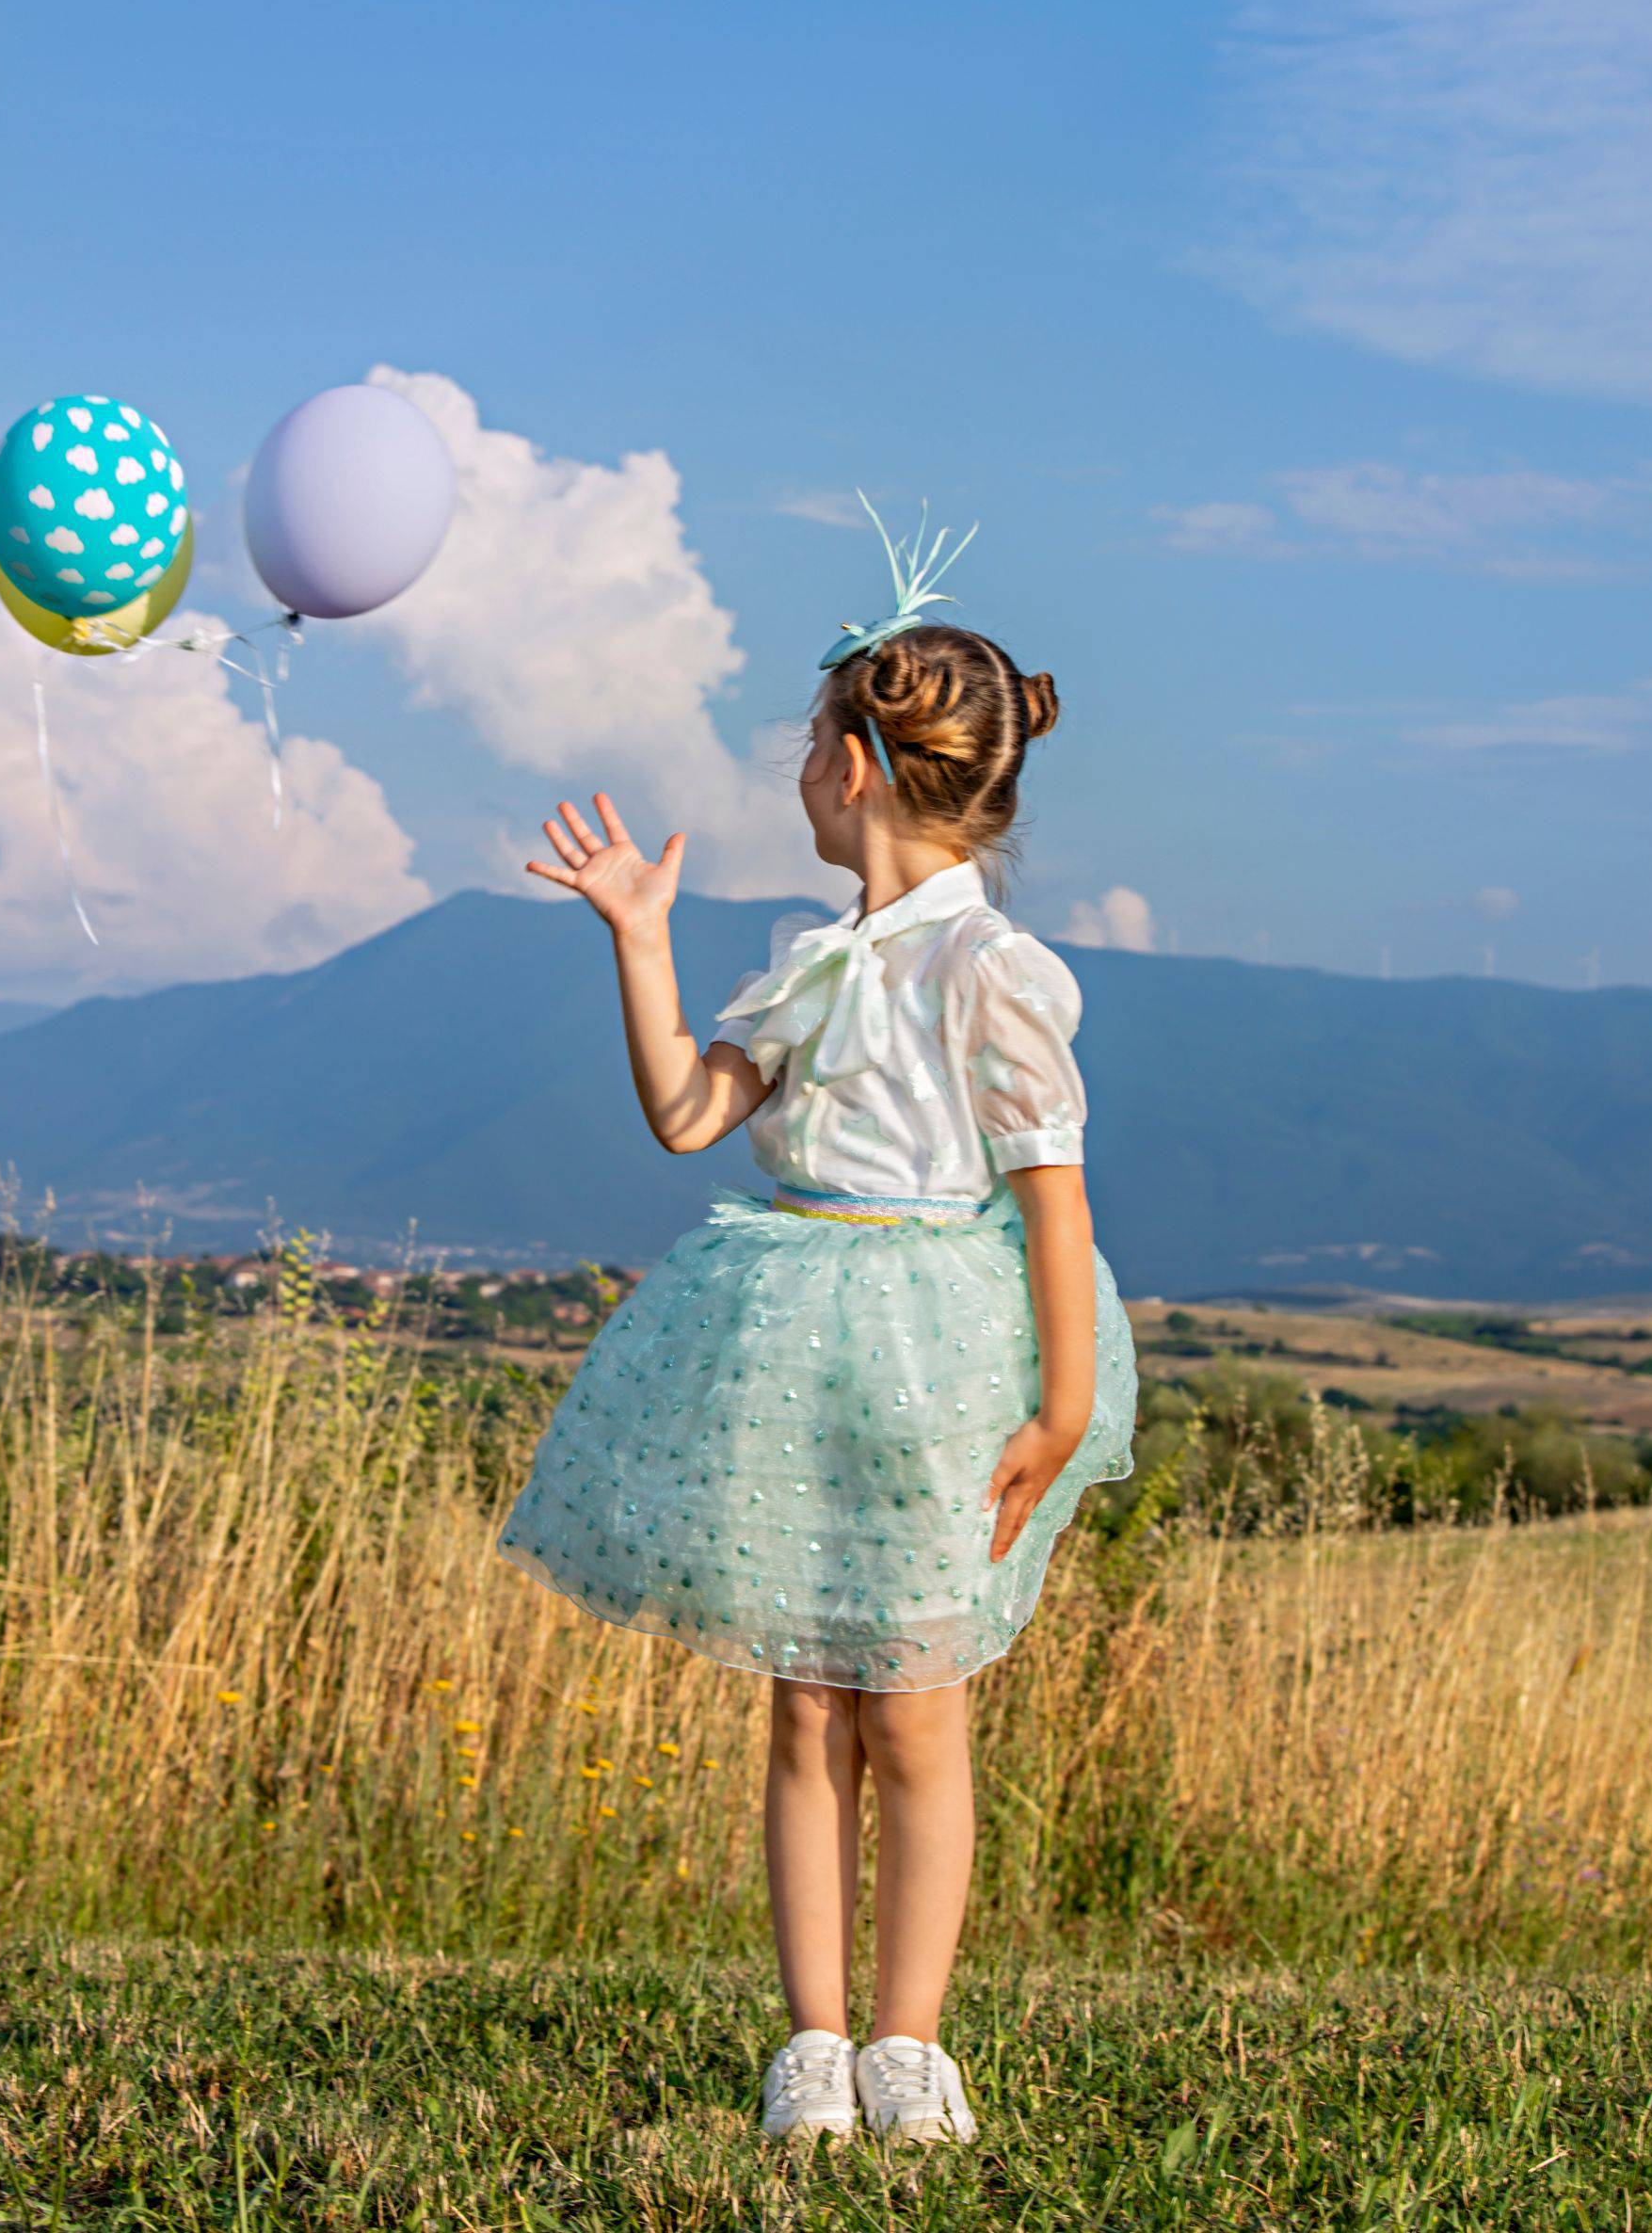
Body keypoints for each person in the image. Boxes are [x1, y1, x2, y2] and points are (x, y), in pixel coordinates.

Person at [498, 506, 1137, 2150]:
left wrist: (1063, 1410)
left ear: (856, 766)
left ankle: (911, 2042)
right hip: (790, 1346)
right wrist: (640, 940)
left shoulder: (992, 972)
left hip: (939, 1362)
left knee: (916, 1703)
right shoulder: (814, 964)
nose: (792, 775)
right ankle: (815, 2042)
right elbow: (687, 1116)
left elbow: (1054, 1202)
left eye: (805, 746)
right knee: (803, 1698)